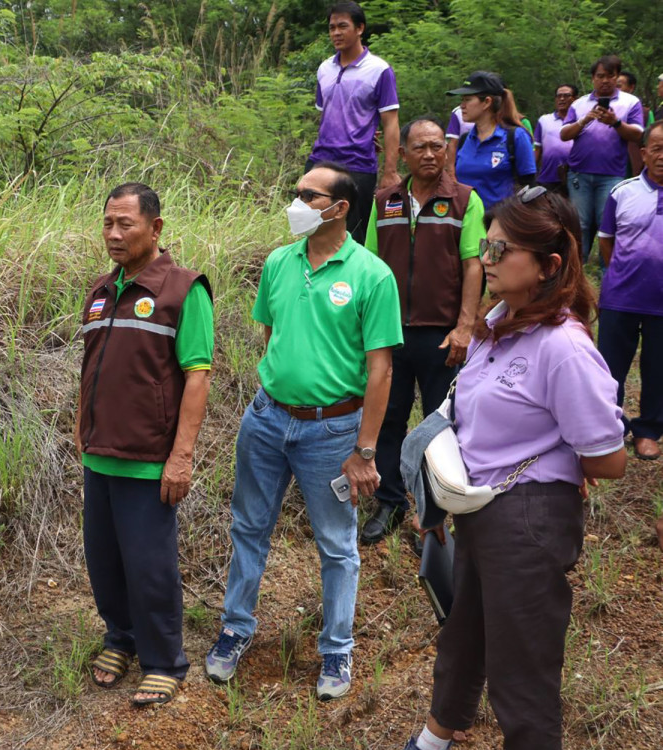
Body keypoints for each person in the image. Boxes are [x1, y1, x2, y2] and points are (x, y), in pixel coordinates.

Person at [389, 188, 627, 750]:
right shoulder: (498, 324)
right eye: (485, 246)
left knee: (521, 672)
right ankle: (432, 746)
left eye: (500, 250)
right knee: (464, 632)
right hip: (481, 505)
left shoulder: (563, 348)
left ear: (548, 265)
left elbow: (608, 459)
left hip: (527, 520)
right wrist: (440, 498)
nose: (486, 259)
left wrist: (562, 456)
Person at [205, 162, 402, 700]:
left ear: (339, 208)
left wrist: (365, 450)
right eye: (296, 192)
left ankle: (336, 650)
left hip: (331, 432)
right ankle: (235, 629)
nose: (296, 204)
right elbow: (271, 331)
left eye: (308, 196)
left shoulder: (371, 276)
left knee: (336, 544)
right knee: (249, 527)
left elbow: (381, 371)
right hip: (267, 420)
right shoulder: (279, 262)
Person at [77, 183, 213, 706]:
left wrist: (181, 456)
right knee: (104, 560)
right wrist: (80, 425)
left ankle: (163, 661)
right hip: (99, 453)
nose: (113, 234)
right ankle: (121, 638)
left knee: (148, 565)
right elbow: (91, 366)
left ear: (155, 228)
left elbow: (197, 376)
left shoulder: (183, 290)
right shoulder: (100, 289)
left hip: (149, 459)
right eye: (107, 223)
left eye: (125, 224)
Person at [359, 117, 486, 545]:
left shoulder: (464, 200)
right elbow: (370, 266)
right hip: (390, 333)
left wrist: (465, 326)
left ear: (446, 150)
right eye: (420, 147)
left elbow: (473, 265)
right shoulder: (385, 201)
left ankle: (434, 512)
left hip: (442, 335)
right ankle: (390, 501)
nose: (430, 154)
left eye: (437, 146)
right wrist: (365, 328)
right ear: (402, 154)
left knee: (440, 424)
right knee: (388, 417)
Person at [307, 1, 401, 245]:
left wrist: (390, 171)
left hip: (357, 165)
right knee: (311, 228)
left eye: (342, 26)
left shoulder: (379, 70)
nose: (336, 33)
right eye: (332, 28)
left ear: (360, 28)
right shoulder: (324, 69)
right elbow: (325, 116)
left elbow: (391, 122)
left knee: (353, 236)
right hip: (320, 160)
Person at [596, 121, 663, 461]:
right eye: (658, 148)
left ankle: (649, 430)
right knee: (610, 367)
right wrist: (622, 274)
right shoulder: (622, 192)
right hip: (620, 297)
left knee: (658, 368)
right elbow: (606, 241)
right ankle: (611, 427)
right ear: (644, 153)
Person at [559, 55, 646, 263]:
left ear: (617, 77)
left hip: (612, 174)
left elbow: (638, 135)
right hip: (579, 173)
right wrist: (585, 120)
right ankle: (577, 269)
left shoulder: (630, 102)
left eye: (610, 76)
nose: (605, 80)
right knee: (580, 224)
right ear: (593, 78)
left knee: (607, 224)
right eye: (600, 76)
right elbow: (564, 134)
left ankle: (608, 270)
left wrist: (615, 122)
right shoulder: (579, 104)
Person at [448, 71, 536, 211]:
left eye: (467, 99)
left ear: (487, 102)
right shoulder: (465, 140)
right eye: (462, 100)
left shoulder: (516, 136)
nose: (462, 105)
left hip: (501, 220)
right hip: (466, 220)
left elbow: (529, 186)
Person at [533, 84, 578, 194]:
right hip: (548, 178)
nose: (562, 99)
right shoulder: (544, 120)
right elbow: (537, 149)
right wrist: (530, 174)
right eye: (559, 96)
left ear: (575, 99)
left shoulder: (580, 121)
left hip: (576, 178)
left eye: (566, 95)